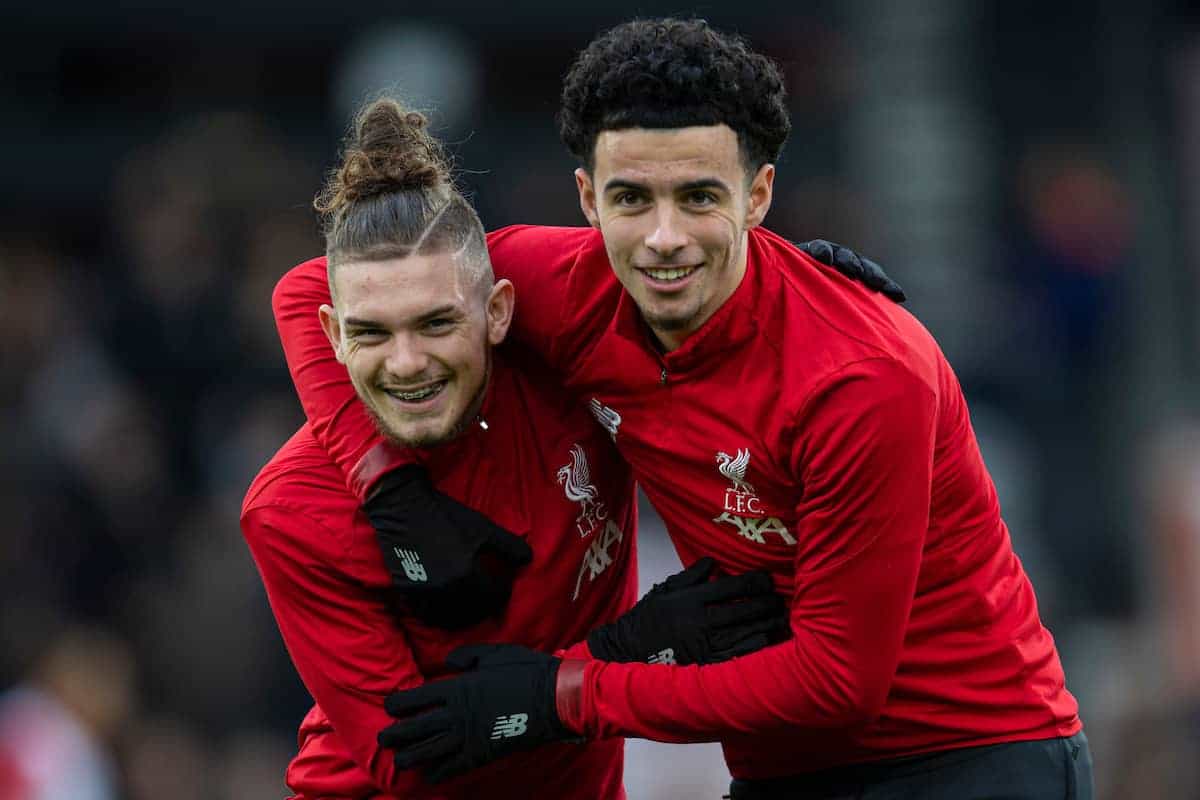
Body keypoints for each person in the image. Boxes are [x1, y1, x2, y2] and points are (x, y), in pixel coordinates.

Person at [272, 18, 1090, 799]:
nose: (663, 238)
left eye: (700, 197)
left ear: (759, 194)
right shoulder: (559, 290)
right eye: (633, 199)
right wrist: (389, 486)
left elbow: (838, 682)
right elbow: (318, 286)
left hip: (969, 755)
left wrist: (573, 686)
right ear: (588, 199)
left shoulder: (862, 378)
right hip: (779, 772)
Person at [241, 97, 790, 799]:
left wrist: (791, 279)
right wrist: (624, 654)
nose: (406, 362)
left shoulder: (575, 371)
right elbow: (408, 761)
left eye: (438, 323)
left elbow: (684, 267)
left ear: (498, 311)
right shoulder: (291, 511)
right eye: (372, 333)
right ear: (333, 333)